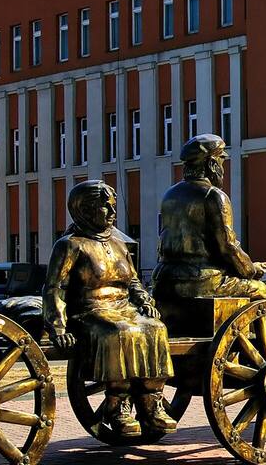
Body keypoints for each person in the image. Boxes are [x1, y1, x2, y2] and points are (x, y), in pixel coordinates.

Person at [45, 180, 177, 438]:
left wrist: (145, 302)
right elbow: (55, 288)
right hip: (89, 311)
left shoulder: (118, 244)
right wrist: (58, 326)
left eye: (112, 205)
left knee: (156, 328)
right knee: (120, 330)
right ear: (84, 209)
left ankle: (152, 403)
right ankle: (119, 406)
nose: (111, 210)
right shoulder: (71, 245)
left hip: (123, 307)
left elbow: (134, 281)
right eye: (104, 206)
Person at [154, 134, 266, 337]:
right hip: (201, 282)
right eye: (222, 159)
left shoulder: (169, 195)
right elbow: (228, 246)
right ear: (212, 163)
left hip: (166, 281)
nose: (224, 166)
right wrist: (250, 270)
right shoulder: (214, 196)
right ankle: (258, 345)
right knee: (259, 289)